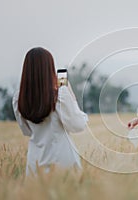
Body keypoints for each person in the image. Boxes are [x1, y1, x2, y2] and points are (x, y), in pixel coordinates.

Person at [12, 47, 88, 175]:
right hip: (63, 163)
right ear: (49, 68)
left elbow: (26, 131)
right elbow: (78, 125)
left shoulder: (18, 98)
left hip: (34, 166)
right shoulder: (59, 95)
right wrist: (71, 97)